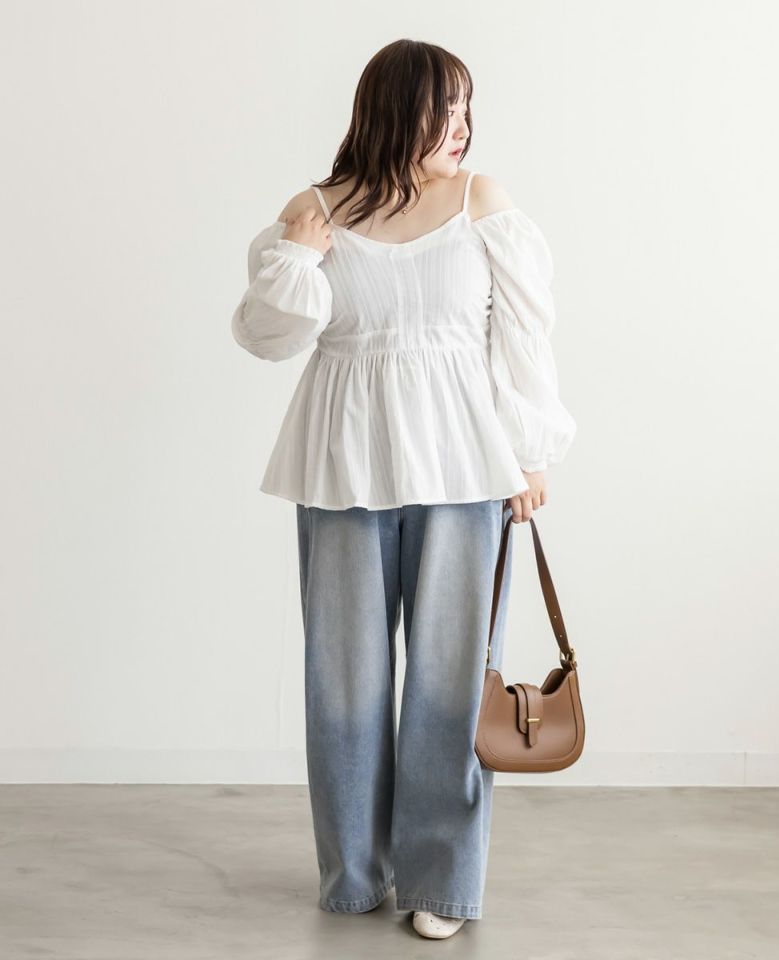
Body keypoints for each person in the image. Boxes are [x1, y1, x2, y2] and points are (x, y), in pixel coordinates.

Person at [230, 39, 577, 940]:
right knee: (343, 682)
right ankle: (354, 875)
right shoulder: (316, 210)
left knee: (452, 682)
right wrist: (296, 257)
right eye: (442, 108)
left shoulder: (480, 201)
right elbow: (267, 337)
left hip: (465, 466)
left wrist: (531, 452)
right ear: (392, 109)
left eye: (466, 109)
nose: (460, 127)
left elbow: (523, 337)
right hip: (342, 462)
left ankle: (440, 883)